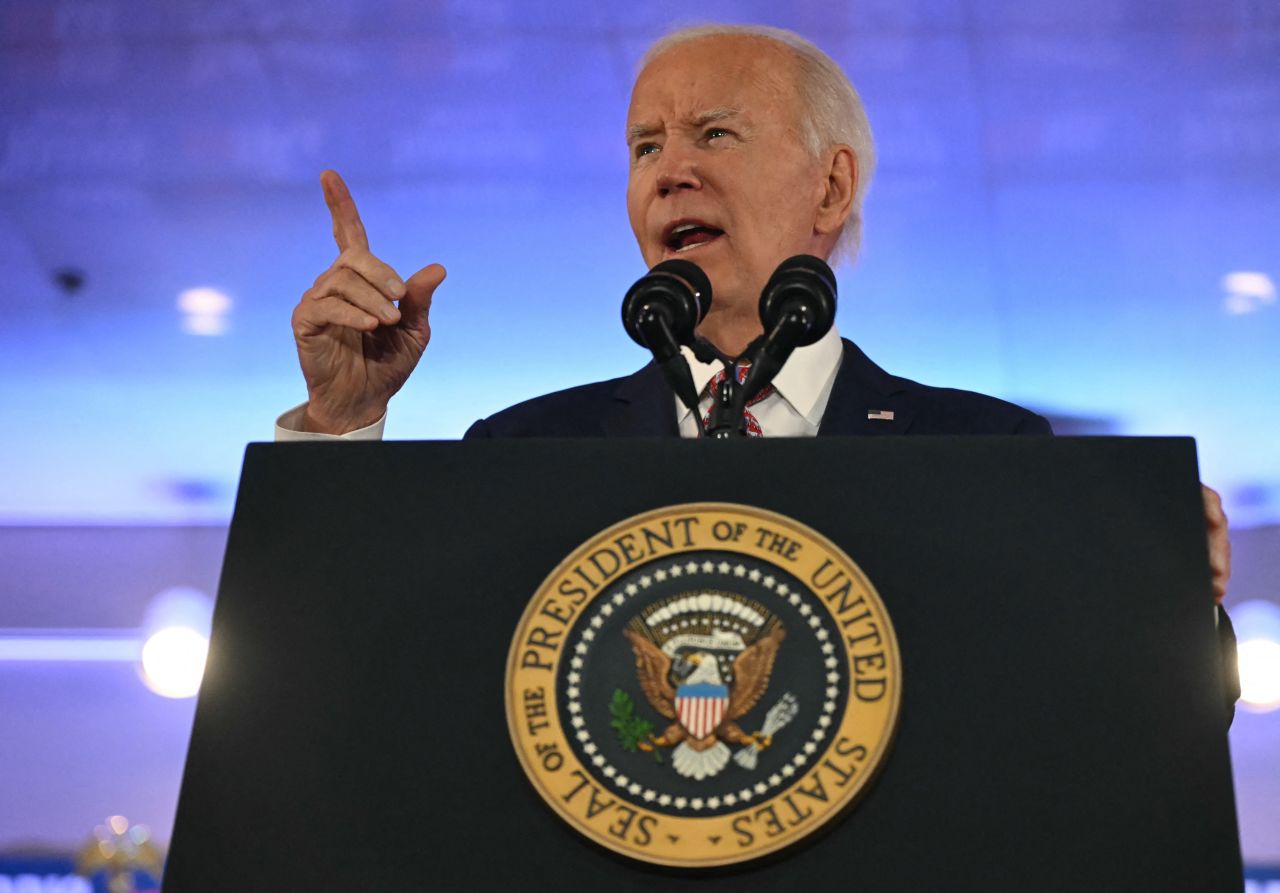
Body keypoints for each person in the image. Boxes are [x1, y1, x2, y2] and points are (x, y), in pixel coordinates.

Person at [276, 24, 1235, 702]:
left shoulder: (987, 450)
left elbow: (1098, 728)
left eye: (713, 133)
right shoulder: (527, 449)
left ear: (832, 182)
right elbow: (357, 685)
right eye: (644, 144)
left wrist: (1176, 608)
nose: (667, 171)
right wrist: (338, 431)